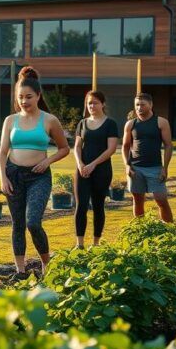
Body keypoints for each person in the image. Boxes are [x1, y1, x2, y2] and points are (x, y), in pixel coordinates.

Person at [0, 66, 70, 277]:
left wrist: (47, 161)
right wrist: (3, 177)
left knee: (33, 222)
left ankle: (46, 264)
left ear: (38, 96)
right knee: (17, 224)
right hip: (13, 175)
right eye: (20, 97)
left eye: (29, 96)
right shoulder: (10, 120)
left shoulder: (49, 120)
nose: (24, 101)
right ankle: (20, 270)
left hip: (39, 177)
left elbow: (64, 148)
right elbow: (2, 152)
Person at [73, 91, 119, 248]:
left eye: (95, 102)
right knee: (81, 205)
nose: (92, 106)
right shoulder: (82, 123)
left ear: (103, 104)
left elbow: (111, 149)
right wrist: (80, 164)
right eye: (89, 103)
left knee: (98, 206)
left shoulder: (110, 124)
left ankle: (96, 243)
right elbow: (77, 147)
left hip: (102, 171)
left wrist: (93, 164)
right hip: (83, 171)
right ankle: (79, 244)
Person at [123, 92, 174, 223]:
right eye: (137, 105)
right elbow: (125, 146)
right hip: (136, 169)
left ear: (150, 105)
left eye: (142, 105)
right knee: (138, 201)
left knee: (161, 200)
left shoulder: (161, 122)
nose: (139, 108)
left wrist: (165, 168)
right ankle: (141, 229)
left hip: (155, 168)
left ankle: (170, 229)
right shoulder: (130, 124)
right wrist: (127, 166)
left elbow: (168, 145)